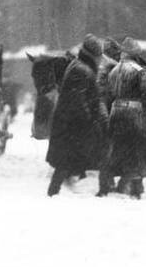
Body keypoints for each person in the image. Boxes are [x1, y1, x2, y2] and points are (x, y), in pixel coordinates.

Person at [46, 34, 108, 196]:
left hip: (72, 124)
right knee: (71, 158)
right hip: (74, 125)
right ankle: (103, 189)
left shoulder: (80, 67)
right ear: (92, 55)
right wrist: (91, 120)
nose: (100, 60)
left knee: (66, 160)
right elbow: (78, 100)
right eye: (99, 56)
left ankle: (55, 190)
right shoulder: (81, 70)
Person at [98, 37, 146, 199]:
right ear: (135, 55)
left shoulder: (113, 71)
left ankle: (118, 184)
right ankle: (133, 186)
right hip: (135, 116)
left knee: (119, 149)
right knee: (138, 150)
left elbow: (108, 95)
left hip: (116, 114)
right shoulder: (139, 71)